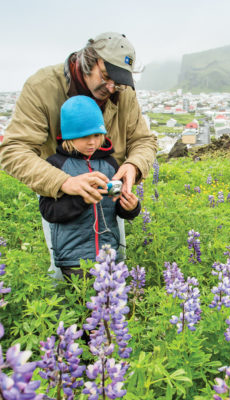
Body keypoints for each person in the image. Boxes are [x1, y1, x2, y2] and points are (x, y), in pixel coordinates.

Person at [0, 32, 157, 275]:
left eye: (119, 81)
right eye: (106, 76)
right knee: (61, 273)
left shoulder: (122, 91)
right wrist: (64, 182)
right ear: (87, 60)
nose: (112, 86)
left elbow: (143, 140)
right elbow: (13, 150)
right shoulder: (43, 86)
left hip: (107, 199)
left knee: (115, 266)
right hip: (59, 197)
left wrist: (134, 166)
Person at [39, 95, 141, 280]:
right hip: (74, 259)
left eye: (97, 135)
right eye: (85, 137)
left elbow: (115, 207)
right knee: (83, 305)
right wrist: (81, 199)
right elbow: (49, 212)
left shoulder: (109, 164)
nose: (92, 142)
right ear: (69, 136)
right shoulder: (56, 165)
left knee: (112, 306)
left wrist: (130, 208)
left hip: (109, 255)